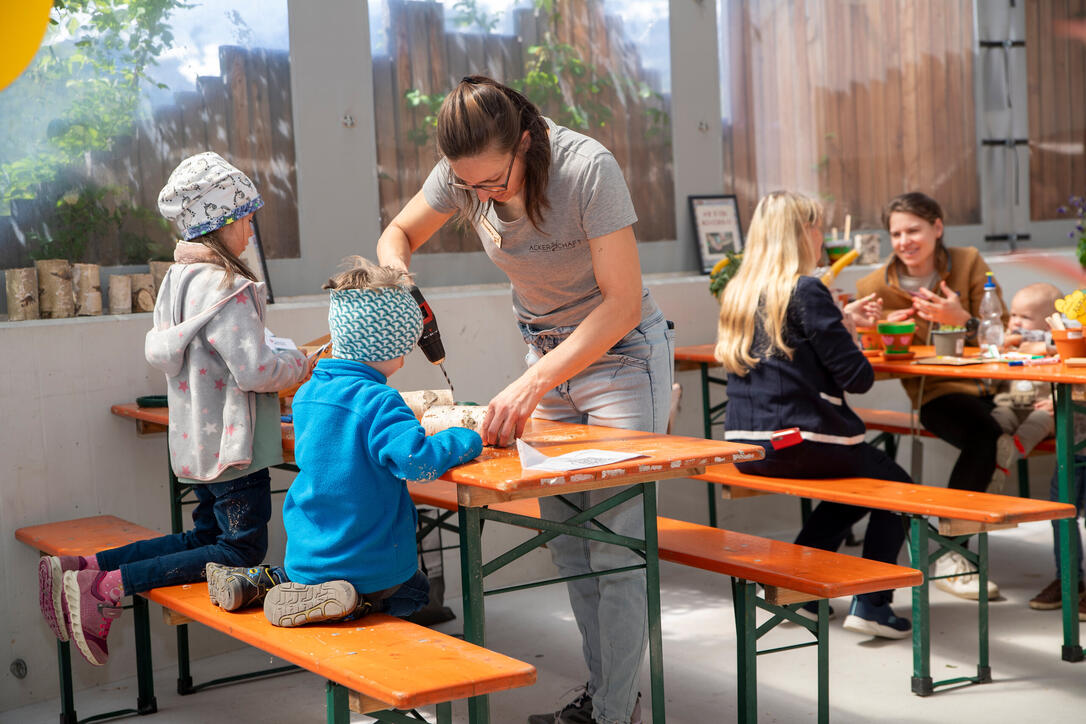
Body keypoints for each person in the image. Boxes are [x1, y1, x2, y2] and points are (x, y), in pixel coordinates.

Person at [376, 75, 672, 724]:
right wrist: (398, 279)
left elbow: (621, 304)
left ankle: (616, 714)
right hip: (544, 355)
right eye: (470, 188)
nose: (482, 197)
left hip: (620, 357)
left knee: (616, 547)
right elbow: (396, 232)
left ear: (528, 141)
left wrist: (533, 381)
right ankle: (607, 696)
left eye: (494, 182)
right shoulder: (465, 176)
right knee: (569, 542)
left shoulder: (588, 169)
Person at [36, 152, 312, 666]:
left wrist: (274, 349)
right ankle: (108, 587)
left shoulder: (177, 281)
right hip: (236, 448)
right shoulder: (228, 287)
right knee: (241, 551)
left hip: (196, 442)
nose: (251, 230)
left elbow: (221, 353)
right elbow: (253, 371)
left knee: (204, 536)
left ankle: (82, 567)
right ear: (220, 222)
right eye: (246, 218)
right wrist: (298, 364)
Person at [716, 190, 912, 639]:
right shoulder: (806, 289)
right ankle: (874, 603)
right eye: (818, 226)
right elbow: (857, 378)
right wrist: (850, 331)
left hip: (748, 445)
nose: (823, 236)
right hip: (802, 440)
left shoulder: (740, 293)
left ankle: (795, 583)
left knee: (851, 492)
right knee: (898, 488)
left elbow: (793, 347)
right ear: (802, 233)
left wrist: (839, 317)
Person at [252, 257, 482, 626]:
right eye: (404, 348)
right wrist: (466, 438)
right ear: (386, 348)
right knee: (415, 592)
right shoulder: (379, 401)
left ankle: (273, 584)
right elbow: (416, 462)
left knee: (375, 579)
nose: (406, 358)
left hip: (310, 558)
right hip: (367, 565)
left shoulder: (307, 394)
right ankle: (351, 605)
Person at [857, 191, 1007, 601]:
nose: (904, 241)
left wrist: (962, 320)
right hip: (937, 394)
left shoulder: (970, 262)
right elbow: (865, 352)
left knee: (1023, 428)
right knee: (984, 437)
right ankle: (954, 554)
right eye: (896, 233)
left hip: (997, 386)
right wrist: (877, 328)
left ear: (937, 228)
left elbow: (1003, 334)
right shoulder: (875, 287)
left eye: (914, 230)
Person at [989, 283, 1062, 491]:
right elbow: (990, 380)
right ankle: (993, 449)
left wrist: (1055, 402)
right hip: (1011, 405)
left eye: (1025, 317)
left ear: (1049, 325)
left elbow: (1068, 379)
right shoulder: (1005, 345)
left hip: (1044, 409)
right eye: (1013, 315)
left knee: (1039, 421)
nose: (1016, 322)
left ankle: (1011, 451)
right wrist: (997, 351)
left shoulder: (1053, 349)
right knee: (997, 419)